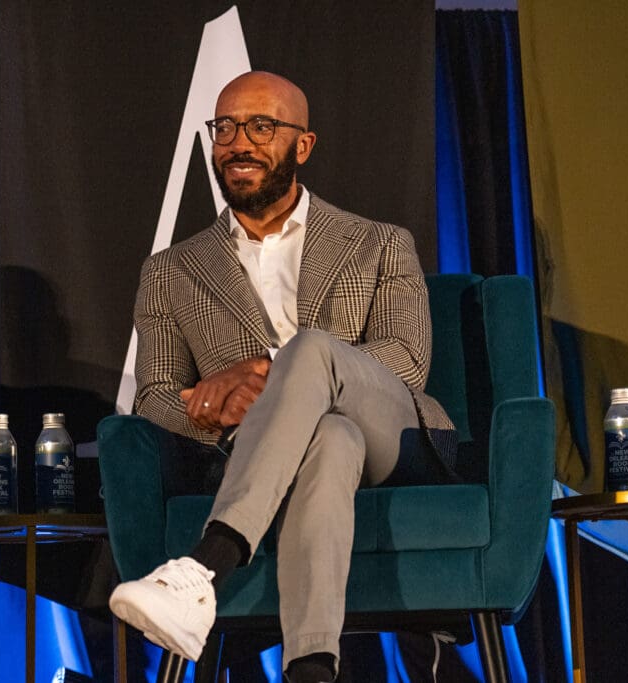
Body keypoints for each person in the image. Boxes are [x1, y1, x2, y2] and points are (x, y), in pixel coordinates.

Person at [109, 72, 457, 683]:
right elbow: (155, 398)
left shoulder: (379, 243)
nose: (239, 143)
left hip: (396, 440)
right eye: (225, 128)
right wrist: (207, 404)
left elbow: (406, 360)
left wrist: (273, 373)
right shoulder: (170, 271)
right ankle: (312, 670)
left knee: (314, 351)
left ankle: (204, 569)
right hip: (278, 450)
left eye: (261, 126)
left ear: (303, 145)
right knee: (331, 438)